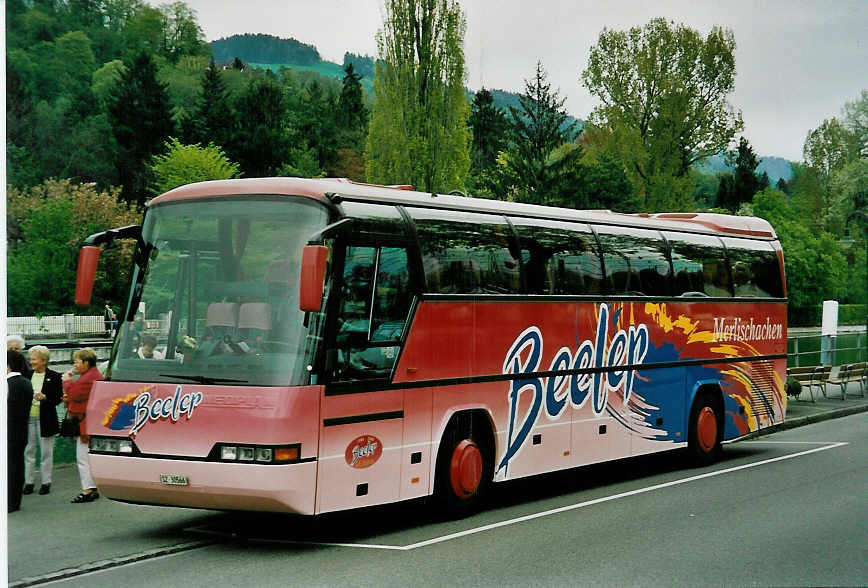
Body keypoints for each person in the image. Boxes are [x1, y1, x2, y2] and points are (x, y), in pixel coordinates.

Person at [62, 348, 102, 503]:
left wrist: (67, 381)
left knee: (83, 457)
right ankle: (92, 488)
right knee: (87, 456)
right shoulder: (90, 375)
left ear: (86, 362)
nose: (75, 365)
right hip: (86, 420)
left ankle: (87, 489)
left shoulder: (88, 378)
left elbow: (75, 394)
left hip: (85, 422)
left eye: (77, 362)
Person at [23, 346, 63, 495]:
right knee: (28, 451)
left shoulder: (55, 376)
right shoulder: (26, 375)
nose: (31, 361)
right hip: (29, 418)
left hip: (46, 418)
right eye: (31, 358)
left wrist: (45, 398)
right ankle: (29, 482)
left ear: (44, 361)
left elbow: (58, 398)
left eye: (34, 358)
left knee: (46, 452)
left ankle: (46, 482)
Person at [8, 350, 34, 512]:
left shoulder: (8, 384)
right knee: (17, 466)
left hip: (8, 430)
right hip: (21, 429)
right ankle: (14, 501)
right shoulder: (26, 382)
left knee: (9, 467)